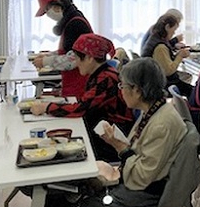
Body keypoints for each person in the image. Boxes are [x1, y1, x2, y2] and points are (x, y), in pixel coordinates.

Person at [35, 58, 187, 207]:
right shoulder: (154, 110)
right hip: (135, 183)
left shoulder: (162, 123)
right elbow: (140, 157)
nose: (120, 90)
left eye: (123, 86)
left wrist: (119, 152)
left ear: (137, 90)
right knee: (67, 197)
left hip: (145, 194)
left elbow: (142, 176)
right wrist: (118, 146)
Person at [30, 33, 134, 162]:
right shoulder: (100, 74)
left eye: (78, 58)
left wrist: (47, 107)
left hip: (111, 138)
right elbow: (85, 103)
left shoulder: (106, 79)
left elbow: (81, 109)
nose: (76, 63)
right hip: (103, 130)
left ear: (90, 58)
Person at [32, 0, 93, 98]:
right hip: (75, 82)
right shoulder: (72, 20)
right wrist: (49, 55)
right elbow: (69, 49)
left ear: (56, 5)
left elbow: (74, 59)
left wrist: (45, 61)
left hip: (80, 85)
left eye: (46, 10)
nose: (48, 15)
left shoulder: (75, 24)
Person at [141, 14, 192, 97]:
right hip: (163, 84)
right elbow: (168, 71)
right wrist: (180, 56)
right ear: (167, 27)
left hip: (154, 80)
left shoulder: (154, 38)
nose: (174, 33)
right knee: (194, 92)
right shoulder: (160, 47)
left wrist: (177, 55)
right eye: (173, 30)